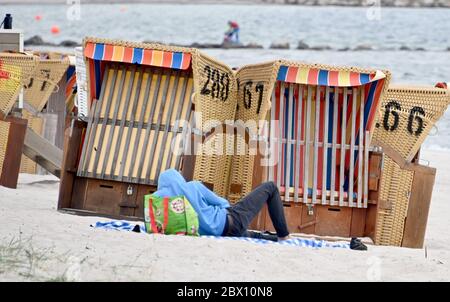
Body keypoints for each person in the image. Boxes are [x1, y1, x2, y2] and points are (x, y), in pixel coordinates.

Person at [153, 169, 290, 241]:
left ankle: (277, 239)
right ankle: (283, 235)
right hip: (231, 222)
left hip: (224, 235)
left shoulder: (164, 210)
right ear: (178, 178)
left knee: (256, 236)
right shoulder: (193, 186)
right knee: (270, 187)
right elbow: (223, 203)